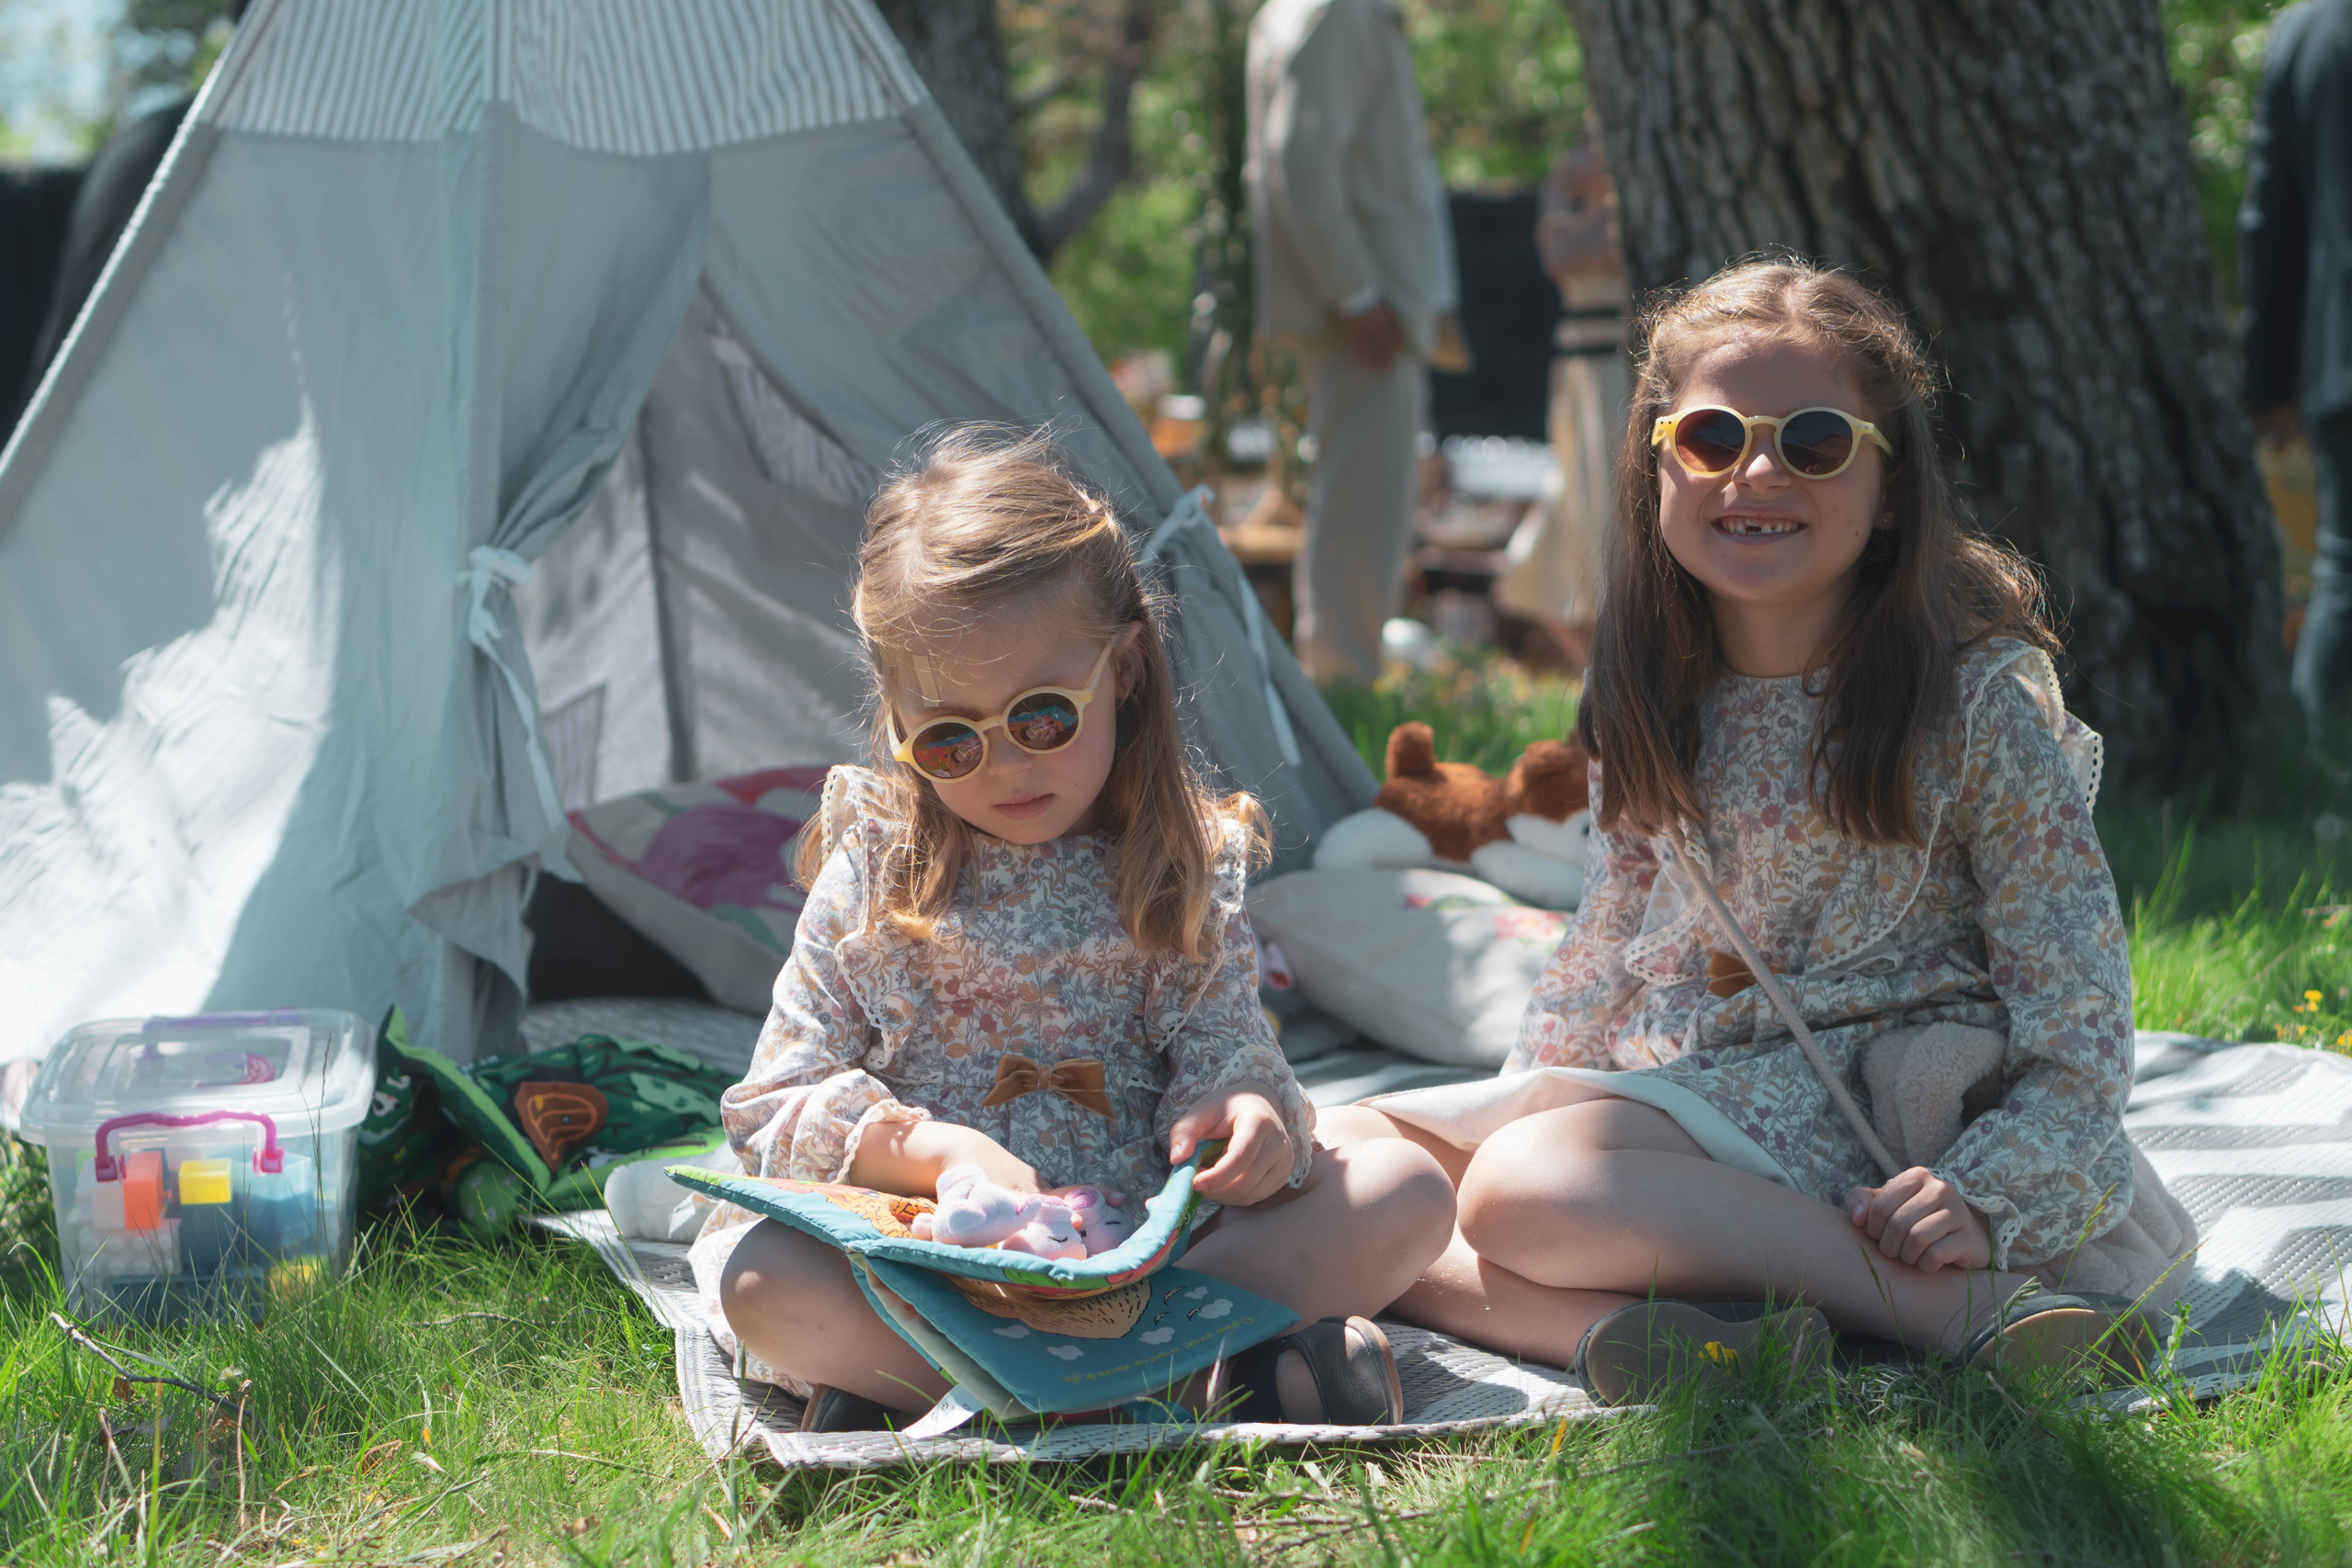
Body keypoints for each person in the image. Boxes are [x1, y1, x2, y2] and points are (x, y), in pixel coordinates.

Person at [1322, 260, 2195, 1403]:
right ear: (1656, 467)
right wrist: (1521, 1098)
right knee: (1345, 1159)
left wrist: (1991, 1191)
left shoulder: (1973, 706)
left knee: (1518, 1192)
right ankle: (1643, 1339)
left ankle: (1942, 1310)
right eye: (1711, 437)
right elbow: (1602, 944)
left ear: (1890, 487)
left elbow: (2078, 1010)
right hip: (1702, 1088)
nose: (1758, 471)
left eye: (1816, 441)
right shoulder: (1650, 690)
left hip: (1876, 1119)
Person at [692, 429, 1455, 1430]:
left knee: (1403, 1186)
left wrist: (1244, 1105)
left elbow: (1225, 1044)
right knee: (763, 1279)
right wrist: (937, 1153)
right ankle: (1188, 1381)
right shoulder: (878, 867)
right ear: (898, 722)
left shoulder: (1179, 862)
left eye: (1042, 718)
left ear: (1125, 667)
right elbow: (773, 1105)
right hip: (926, 1255)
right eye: (950, 740)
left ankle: (972, 1392)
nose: (1006, 767)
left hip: (1145, 1256)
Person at [1246, 0, 1464, 684]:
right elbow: (1301, 162)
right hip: (1363, 316)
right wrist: (1358, 293)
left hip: (1362, 307)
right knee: (1362, 509)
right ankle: (1343, 689)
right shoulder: (1337, 11)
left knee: (1359, 502)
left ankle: (1341, 682)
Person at [2243, 0, 2352, 726]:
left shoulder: (2306, 32)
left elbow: (2271, 223)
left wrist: (2269, 383)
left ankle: (2317, 765)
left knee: (2343, 576)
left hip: (2342, 366)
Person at [1494, 134, 1633, 670]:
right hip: (1575, 371)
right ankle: (1597, 672)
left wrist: (1557, 191)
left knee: (1604, 515)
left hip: (1611, 373)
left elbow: (1566, 254)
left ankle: (1612, 671)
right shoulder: (1584, 210)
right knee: (1561, 524)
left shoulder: (1625, 206)